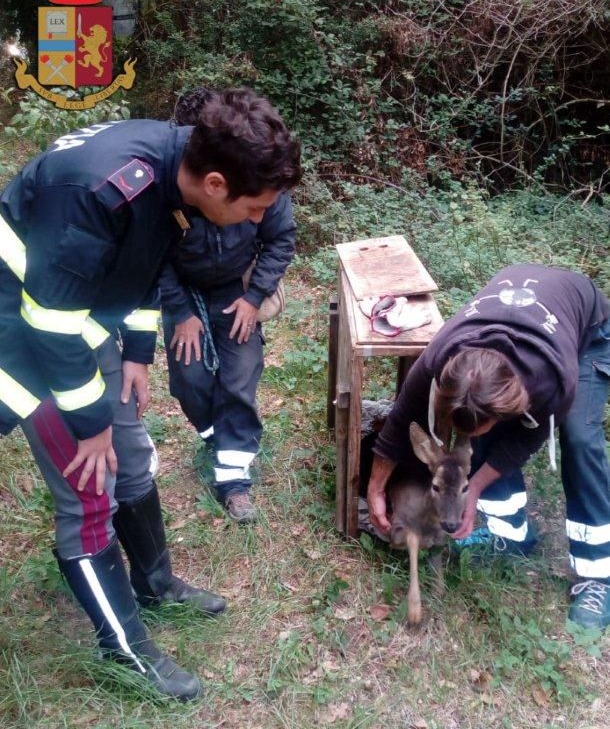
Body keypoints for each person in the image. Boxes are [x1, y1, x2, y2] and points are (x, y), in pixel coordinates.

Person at [0, 88, 302, 699]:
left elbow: (141, 266)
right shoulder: (99, 190)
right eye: (251, 209)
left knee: (132, 460)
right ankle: (126, 652)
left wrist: (137, 354)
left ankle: (154, 584)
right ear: (216, 183)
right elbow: (49, 325)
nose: (254, 223)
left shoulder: (171, 169)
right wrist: (91, 423)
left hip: (75, 322)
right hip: (21, 340)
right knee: (88, 492)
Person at [367, 264, 610, 629]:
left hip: (588, 332)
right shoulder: (439, 357)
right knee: (475, 440)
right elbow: (402, 417)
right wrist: (376, 486)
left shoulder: (552, 380)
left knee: (580, 439)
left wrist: (475, 487)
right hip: (521, 306)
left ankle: (596, 576)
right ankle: (511, 535)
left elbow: (527, 438)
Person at [159, 88, 296, 522]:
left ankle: (234, 480)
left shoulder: (256, 177)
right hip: (183, 292)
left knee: (238, 377)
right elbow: (153, 258)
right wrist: (180, 314)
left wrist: (253, 298)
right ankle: (217, 437)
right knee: (188, 379)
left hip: (236, 289)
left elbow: (280, 238)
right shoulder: (169, 186)